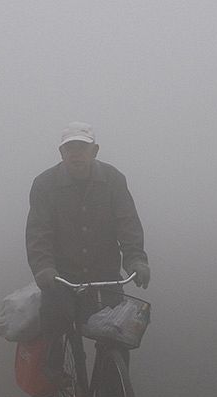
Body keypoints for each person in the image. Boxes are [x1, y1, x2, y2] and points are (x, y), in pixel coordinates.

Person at [25, 122, 150, 382]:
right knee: (56, 319)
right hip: (62, 274)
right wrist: (44, 268)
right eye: (69, 148)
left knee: (117, 336)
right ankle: (54, 371)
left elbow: (127, 222)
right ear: (61, 153)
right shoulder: (44, 184)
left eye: (82, 147)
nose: (76, 154)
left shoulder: (114, 179)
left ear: (95, 150)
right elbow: (38, 232)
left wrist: (136, 259)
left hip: (104, 272)